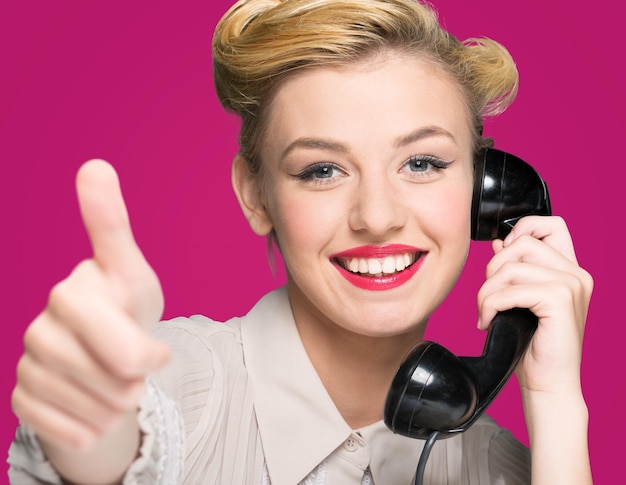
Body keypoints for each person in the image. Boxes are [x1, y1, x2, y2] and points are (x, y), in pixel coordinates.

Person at [8, 0, 593, 483]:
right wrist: (87, 426)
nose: (377, 216)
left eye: (421, 162)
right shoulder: (173, 386)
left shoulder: (509, 471)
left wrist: (556, 404)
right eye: (321, 170)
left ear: (486, 194)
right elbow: (108, 442)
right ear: (256, 195)